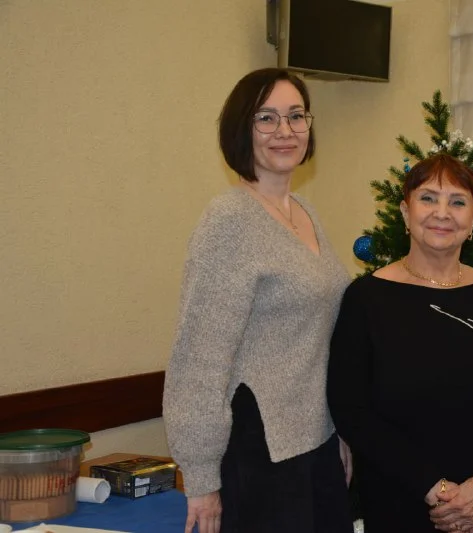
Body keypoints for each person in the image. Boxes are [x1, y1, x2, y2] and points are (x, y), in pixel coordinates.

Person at [162, 68, 353, 533]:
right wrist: (201, 477)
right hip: (259, 449)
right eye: (266, 118)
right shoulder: (229, 219)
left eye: (295, 116)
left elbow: (321, 340)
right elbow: (200, 356)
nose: (285, 131)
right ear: (241, 130)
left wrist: (340, 431)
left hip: (317, 442)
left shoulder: (305, 212)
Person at [327, 153, 473, 533]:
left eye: (457, 202)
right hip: (400, 503)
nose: (442, 213)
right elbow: (351, 409)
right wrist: (438, 491)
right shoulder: (366, 300)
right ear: (405, 212)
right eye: (428, 198)